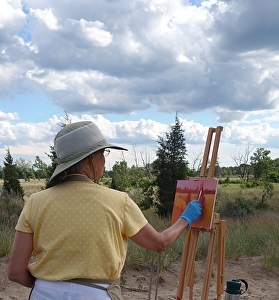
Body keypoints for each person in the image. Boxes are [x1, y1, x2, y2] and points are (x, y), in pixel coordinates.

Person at [8, 121, 202, 300]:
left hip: (44, 293)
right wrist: (185, 218)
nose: (105, 160)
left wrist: (51, 285)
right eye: (104, 153)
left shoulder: (36, 202)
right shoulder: (119, 201)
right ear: (91, 159)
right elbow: (160, 244)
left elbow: (16, 272)